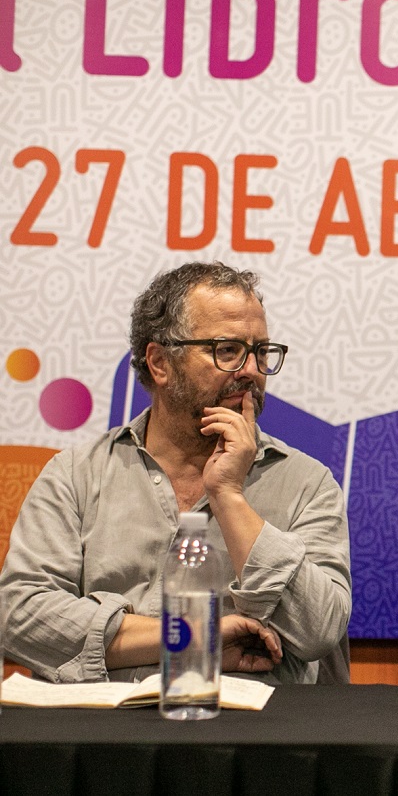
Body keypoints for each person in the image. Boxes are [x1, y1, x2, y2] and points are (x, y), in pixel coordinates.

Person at [1, 262, 351, 684]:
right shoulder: (76, 474)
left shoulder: (307, 484)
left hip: (248, 736)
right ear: (160, 363)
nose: (252, 370)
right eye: (227, 350)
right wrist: (194, 637)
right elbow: (19, 615)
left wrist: (229, 497)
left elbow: (320, 631)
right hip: (99, 732)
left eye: (261, 352)